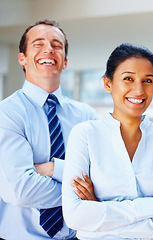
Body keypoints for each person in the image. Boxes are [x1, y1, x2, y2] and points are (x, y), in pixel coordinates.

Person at [62, 43, 153, 239]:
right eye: (128, 79)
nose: (139, 90)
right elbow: (74, 217)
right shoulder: (85, 135)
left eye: (147, 80)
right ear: (108, 84)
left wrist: (100, 214)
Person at [0, 19, 97, 239]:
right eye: (38, 44)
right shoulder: (6, 113)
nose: (49, 49)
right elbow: (20, 190)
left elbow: (102, 180)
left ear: (65, 61)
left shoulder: (87, 116)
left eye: (57, 44)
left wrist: (53, 168)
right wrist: (82, 193)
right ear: (22, 58)